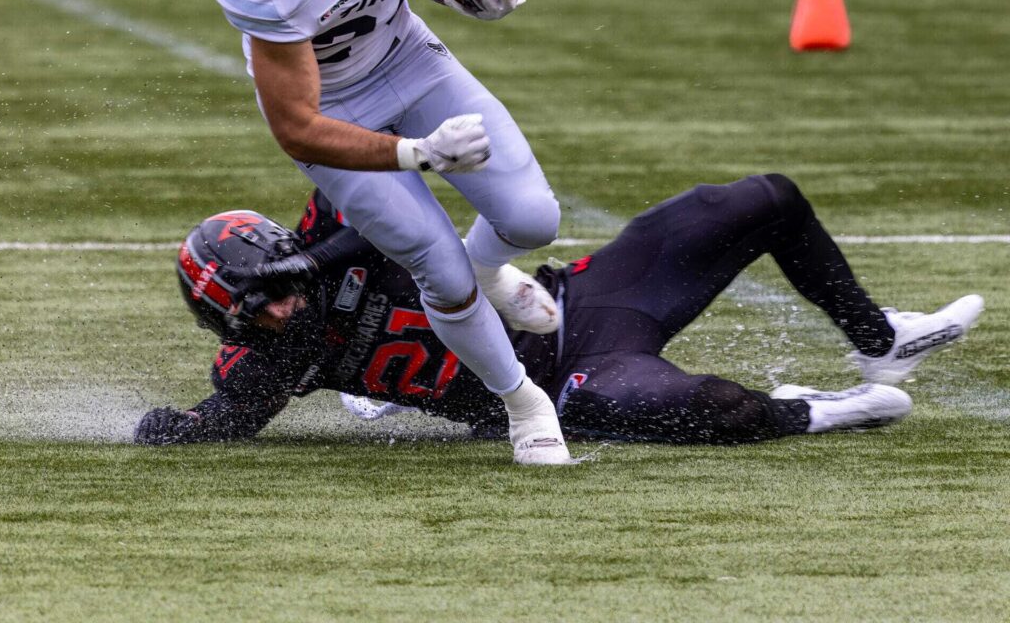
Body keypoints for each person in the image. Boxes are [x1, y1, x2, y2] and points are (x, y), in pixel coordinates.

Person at [210, 0, 567, 464]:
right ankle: (523, 402)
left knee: (533, 220)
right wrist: (417, 154)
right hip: (333, 110)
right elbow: (298, 128)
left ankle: (491, 266)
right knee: (437, 267)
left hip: (411, 60)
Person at [135, 173, 983, 446]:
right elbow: (217, 419)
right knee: (676, 408)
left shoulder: (333, 230)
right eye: (259, 309)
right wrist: (160, 427)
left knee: (761, 199)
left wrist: (308, 262)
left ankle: (881, 340)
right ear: (230, 325)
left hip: (573, 300)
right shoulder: (266, 362)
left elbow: (395, 203)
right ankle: (815, 410)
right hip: (559, 384)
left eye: (280, 287)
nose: (282, 312)